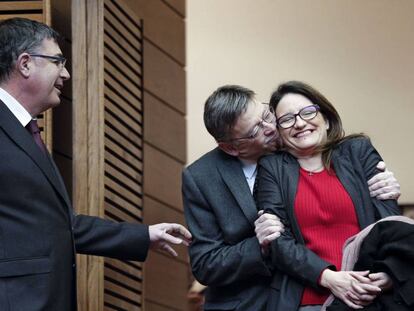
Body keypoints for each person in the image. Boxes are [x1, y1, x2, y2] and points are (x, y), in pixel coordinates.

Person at [0, 17, 191, 311]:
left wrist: (144, 235)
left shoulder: (27, 132)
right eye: (57, 61)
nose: (65, 74)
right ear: (25, 64)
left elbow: (63, 226)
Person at [182, 85, 400, 310]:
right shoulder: (201, 177)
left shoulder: (301, 142)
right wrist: (263, 245)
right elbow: (205, 263)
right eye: (255, 130)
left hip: (328, 289)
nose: (270, 127)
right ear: (231, 148)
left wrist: (381, 188)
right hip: (250, 302)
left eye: (267, 115)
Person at [254, 81, 400, 311]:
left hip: (372, 294)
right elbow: (277, 240)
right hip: (309, 299)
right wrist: (329, 277)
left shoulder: (358, 151)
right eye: (287, 119)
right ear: (280, 132)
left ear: (326, 116)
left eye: (308, 112)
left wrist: (390, 271)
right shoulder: (272, 168)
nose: (300, 123)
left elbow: (391, 223)